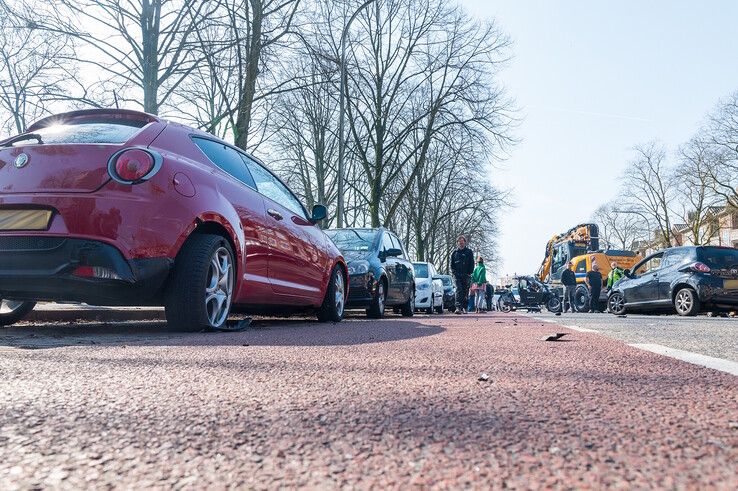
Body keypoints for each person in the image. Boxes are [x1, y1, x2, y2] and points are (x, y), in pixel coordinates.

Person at [450, 234, 475, 314]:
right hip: (457, 275)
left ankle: (464, 307)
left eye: (462, 242)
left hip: (466, 275)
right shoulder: (454, 253)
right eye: (459, 242)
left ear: (465, 242)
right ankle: (458, 307)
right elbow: (452, 264)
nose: (461, 243)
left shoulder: (469, 252)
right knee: (458, 289)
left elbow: (472, 263)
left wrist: (469, 273)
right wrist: (454, 273)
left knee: (465, 291)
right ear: (457, 243)